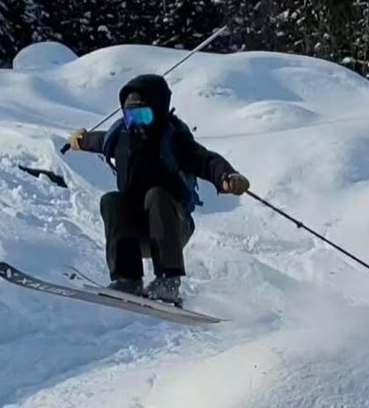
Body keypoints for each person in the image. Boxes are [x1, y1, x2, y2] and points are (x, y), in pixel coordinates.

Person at [66, 74, 250, 305]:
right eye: (131, 116)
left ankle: (168, 282)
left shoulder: (174, 139)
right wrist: (81, 140)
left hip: (173, 226)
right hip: (137, 233)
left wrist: (226, 177)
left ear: (158, 111)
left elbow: (206, 160)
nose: (137, 123)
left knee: (157, 195)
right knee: (112, 200)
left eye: (143, 115)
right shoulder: (120, 136)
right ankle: (128, 279)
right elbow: (98, 140)